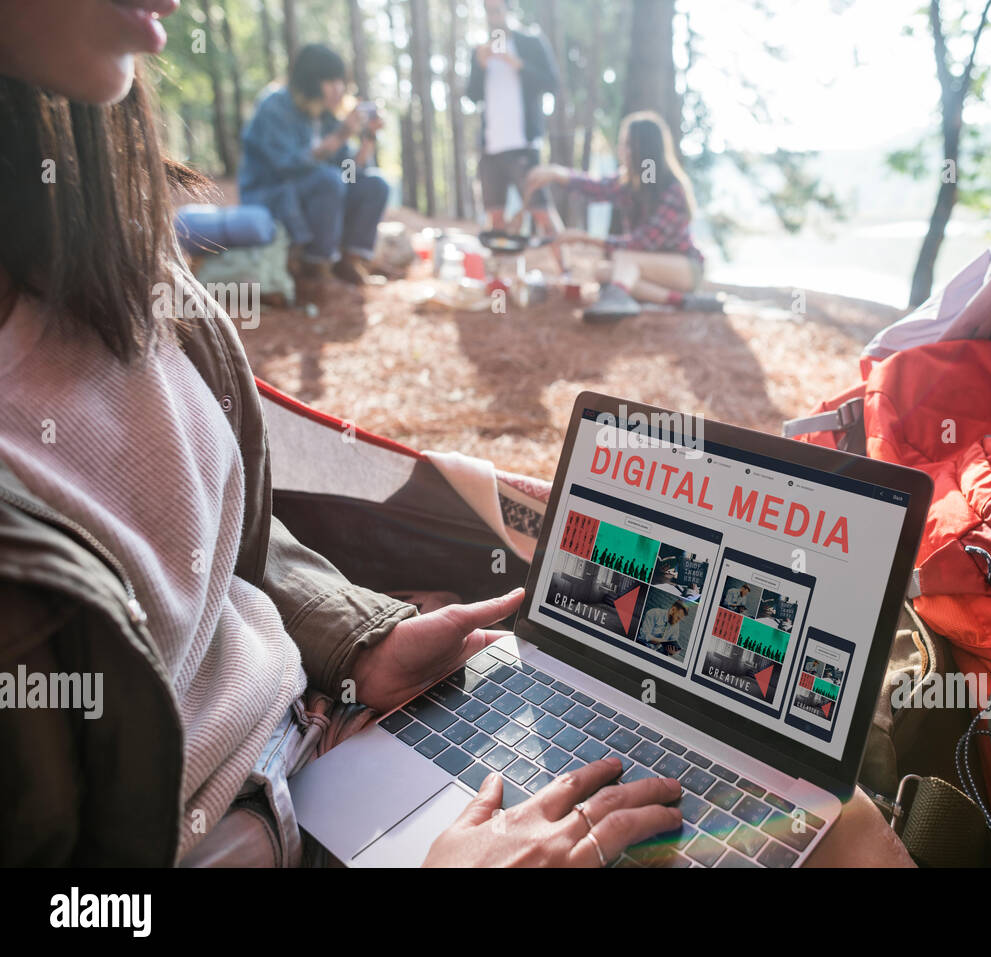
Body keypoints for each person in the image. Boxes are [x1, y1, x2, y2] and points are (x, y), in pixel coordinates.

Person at [0, 0, 911, 870]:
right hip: (276, 830)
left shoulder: (119, 269)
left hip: (329, 734)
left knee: (825, 810)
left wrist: (360, 647)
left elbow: (215, 547)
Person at [522, 110, 723, 322]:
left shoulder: (672, 191)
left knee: (623, 259)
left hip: (684, 269)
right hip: (644, 267)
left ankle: (617, 298)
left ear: (643, 150)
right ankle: (680, 301)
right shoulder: (630, 184)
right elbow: (596, 187)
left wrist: (584, 238)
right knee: (603, 272)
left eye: (627, 145)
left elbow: (640, 243)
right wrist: (556, 173)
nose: (621, 150)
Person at [239, 44, 390, 287]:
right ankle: (316, 266)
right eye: (330, 81)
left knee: (375, 184)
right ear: (309, 82)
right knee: (328, 180)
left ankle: (348, 262)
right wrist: (341, 135)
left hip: (317, 191)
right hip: (273, 196)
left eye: (341, 81)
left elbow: (350, 172)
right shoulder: (275, 107)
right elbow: (286, 165)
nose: (338, 89)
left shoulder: (326, 115)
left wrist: (368, 138)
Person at [466, 0, 560, 235]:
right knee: (495, 219)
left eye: (498, 10)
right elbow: (471, 96)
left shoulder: (530, 43)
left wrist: (515, 62)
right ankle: (500, 270)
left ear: (509, 10)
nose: (493, 16)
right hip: (491, 147)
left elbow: (551, 82)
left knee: (541, 211)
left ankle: (565, 269)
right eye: (489, 11)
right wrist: (481, 65)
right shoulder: (480, 50)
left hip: (523, 145)